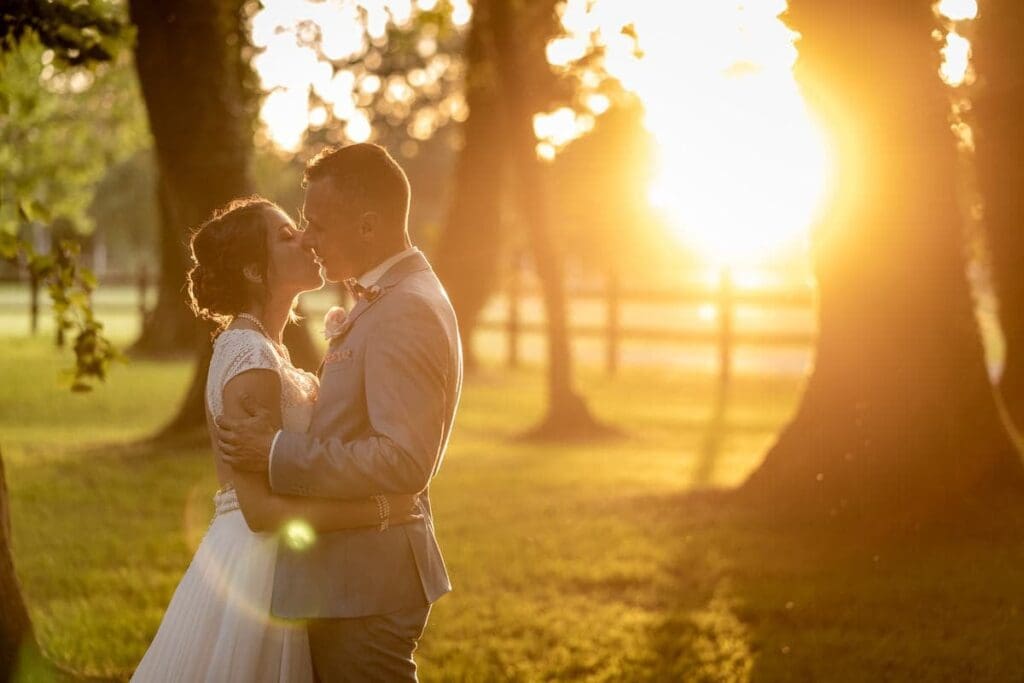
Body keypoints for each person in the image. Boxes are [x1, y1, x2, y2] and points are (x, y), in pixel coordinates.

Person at [132, 196, 419, 682]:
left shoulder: (270, 349)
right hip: (256, 569)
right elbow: (261, 511)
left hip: (287, 563)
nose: (306, 238)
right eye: (287, 236)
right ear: (252, 269)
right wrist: (379, 511)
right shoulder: (250, 357)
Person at [216, 143, 463, 681]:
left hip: (368, 585)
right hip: (348, 579)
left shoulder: (407, 309)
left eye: (318, 225)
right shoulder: (385, 297)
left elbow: (403, 459)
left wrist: (278, 451)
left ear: (369, 227)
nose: (308, 238)